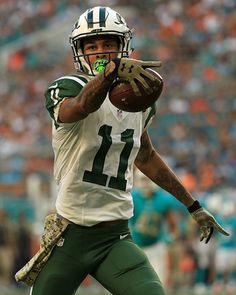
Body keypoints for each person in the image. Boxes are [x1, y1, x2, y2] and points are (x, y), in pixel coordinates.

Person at [15, 6, 229, 295]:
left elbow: (146, 156)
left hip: (114, 236)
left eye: (108, 45)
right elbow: (80, 107)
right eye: (92, 46)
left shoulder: (137, 100)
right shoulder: (68, 88)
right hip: (70, 236)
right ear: (80, 51)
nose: (101, 53)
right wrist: (107, 77)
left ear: (123, 48)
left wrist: (193, 205)